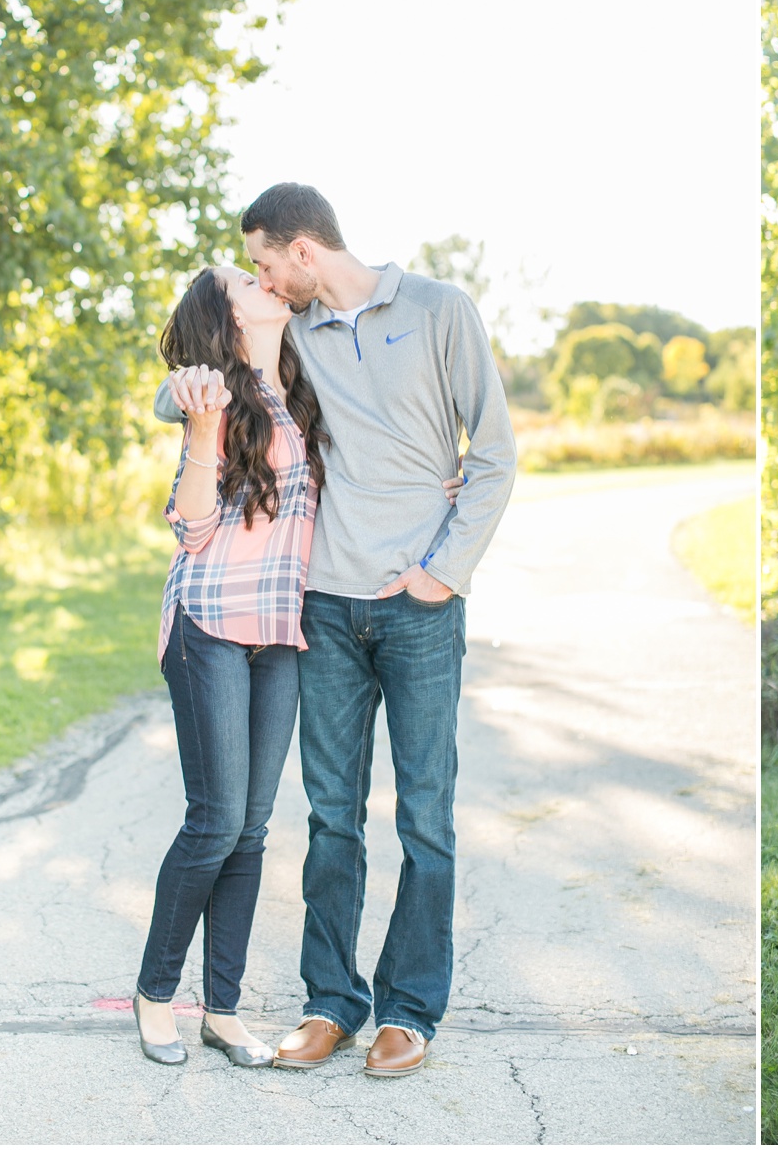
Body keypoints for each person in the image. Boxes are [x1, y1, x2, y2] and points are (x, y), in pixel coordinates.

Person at [155, 183, 516, 1078]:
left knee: (426, 818)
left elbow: (496, 454)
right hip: (321, 607)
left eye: (265, 260)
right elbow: (206, 382)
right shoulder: (298, 336)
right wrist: (179, 386)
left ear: (301, 250)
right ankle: (331, 1001)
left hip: (421, 608)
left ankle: (409, 1009)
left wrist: (442, 570)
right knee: (331, 819)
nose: (262, 277)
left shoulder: (439, 309)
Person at [134, 265, 329, 1068]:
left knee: (250, 828)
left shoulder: (302, 385)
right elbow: (191, 528)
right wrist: (201, 425)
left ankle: (223, 1009)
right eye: (244, 279)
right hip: (208, 624)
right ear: (226, 312)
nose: (265, 280)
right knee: (214, 820)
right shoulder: (212, 391)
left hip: (277, 633)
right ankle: (155, 994)